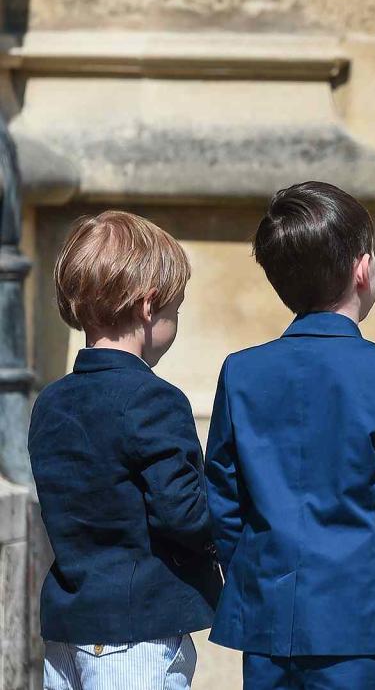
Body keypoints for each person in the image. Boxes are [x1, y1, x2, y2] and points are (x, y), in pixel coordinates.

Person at [204, 181, 375, 688]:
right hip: (363, 625)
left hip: (269, 625)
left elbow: (223, 500)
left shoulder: (241, 372)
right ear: (363, 270)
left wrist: (258, 586)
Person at [29, 211, 221, 690]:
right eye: (175, 309)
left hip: (69, 627)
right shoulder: (154, 398)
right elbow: (184, 514)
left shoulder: (50, 402)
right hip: (137, 633)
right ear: (148, 306)